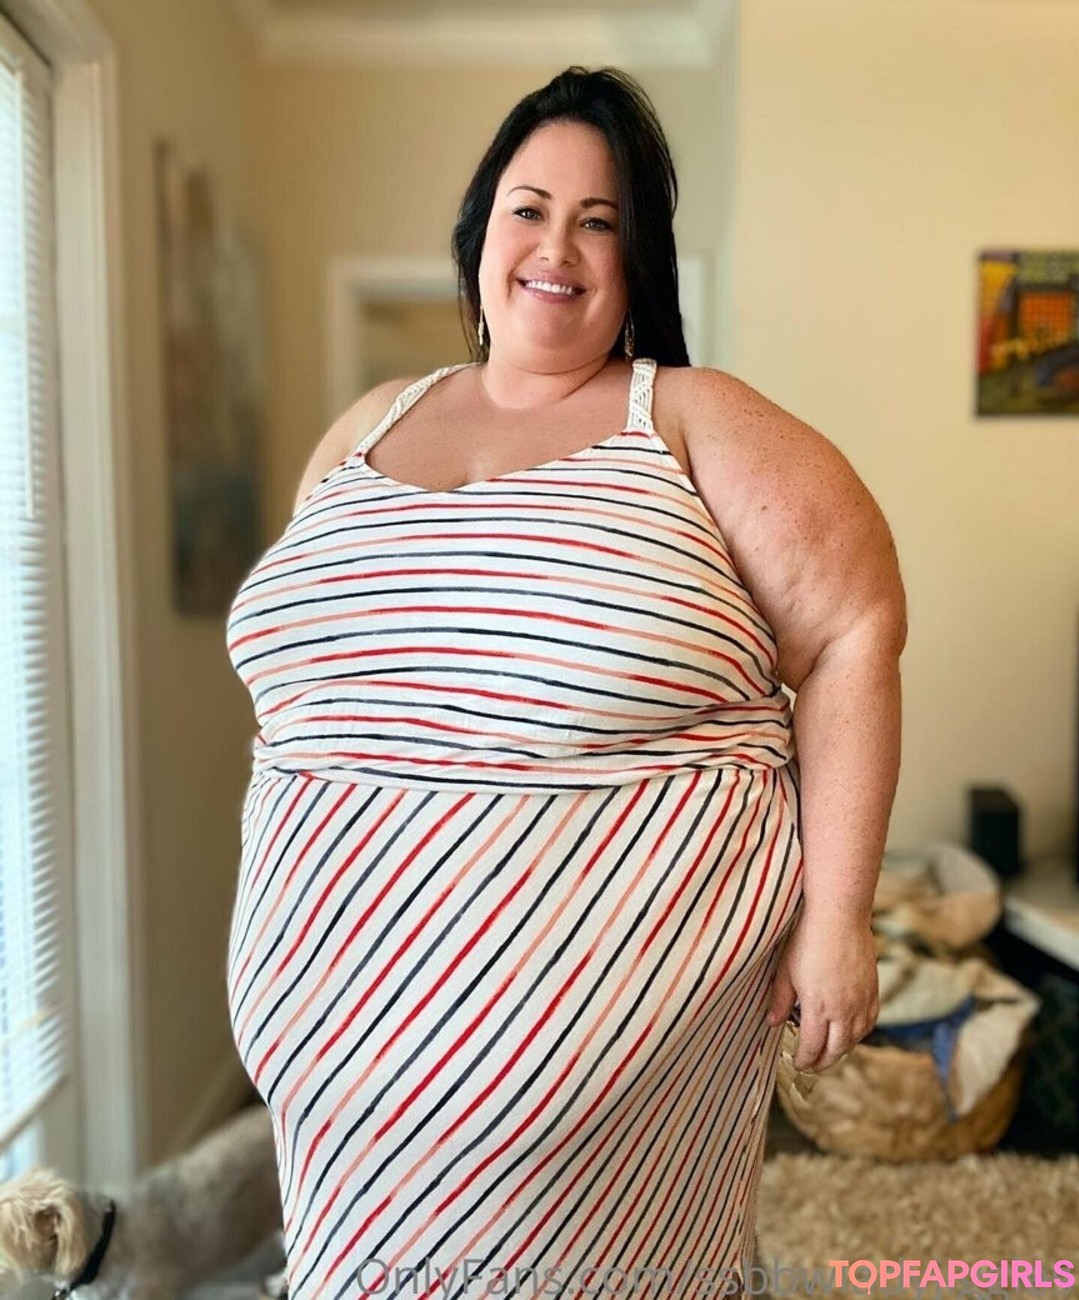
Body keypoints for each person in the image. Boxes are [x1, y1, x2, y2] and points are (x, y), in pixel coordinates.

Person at [225, 66, 906, 1300]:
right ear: (478, 232)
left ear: (640, 261)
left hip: (612, 1108)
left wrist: (839, 915)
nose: (557, 247)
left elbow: (856, 627)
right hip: (329, 1083)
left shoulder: (690, 420)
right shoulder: (369, 424)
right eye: (529, 209)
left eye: (601, 221)